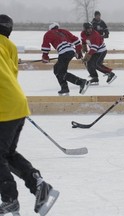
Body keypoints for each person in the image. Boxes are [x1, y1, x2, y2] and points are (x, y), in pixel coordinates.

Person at [0, 14, 59, 215]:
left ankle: (9, 199)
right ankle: (39, 185)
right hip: (17, 103)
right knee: (7, 154)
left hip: (4, 106)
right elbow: (11, 75)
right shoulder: (10, 47)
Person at [41, 22, 90, 95]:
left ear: (50, 28)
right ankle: (64, 88)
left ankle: (82, 82)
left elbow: (45, 46)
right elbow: (76, 41)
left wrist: (45, 57)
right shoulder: (64, 31)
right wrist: (78, 52)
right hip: (71, 51)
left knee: (61, 72)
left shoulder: (48, 33)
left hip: (64, 52)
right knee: (57, 69)